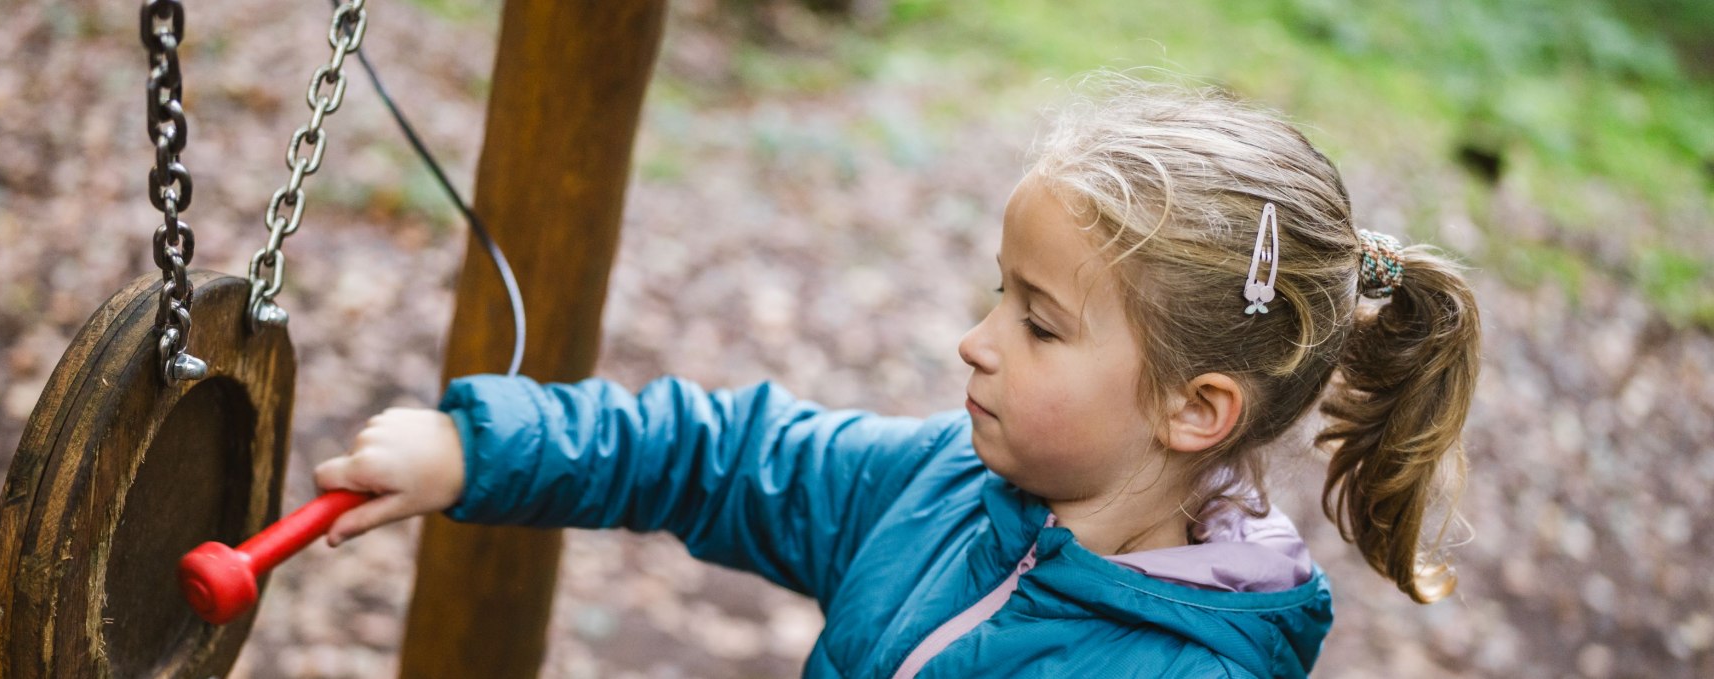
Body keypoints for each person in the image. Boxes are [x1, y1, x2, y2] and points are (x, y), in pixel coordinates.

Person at [311, 74, 1482, 678]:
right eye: (996, 294)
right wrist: (483, 447)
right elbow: (724, 458)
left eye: (1039, 323)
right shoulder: (940, 486)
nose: (976, 341)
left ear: (1195, 408)